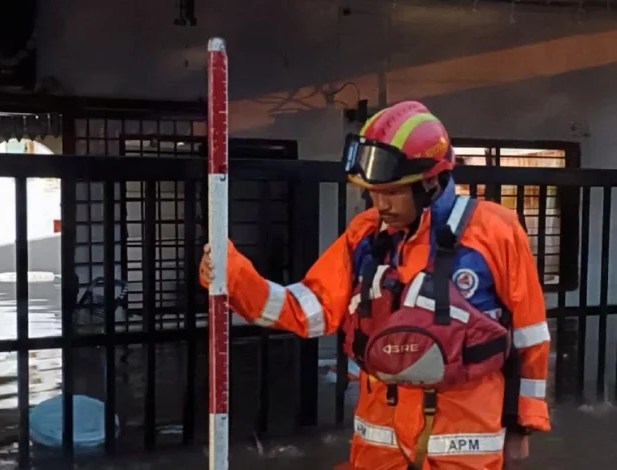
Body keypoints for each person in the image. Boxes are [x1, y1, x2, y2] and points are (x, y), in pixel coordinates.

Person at [199, 101, 550, 470]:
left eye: (393, 192)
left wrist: (522, 425)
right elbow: (307, 309)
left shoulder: (495, 230)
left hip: (463, 445)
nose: (379, 204)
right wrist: (235, 278)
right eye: (373, 192)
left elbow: (530, 336)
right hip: (379, 446)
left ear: (431, 181)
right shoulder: (364, 235)